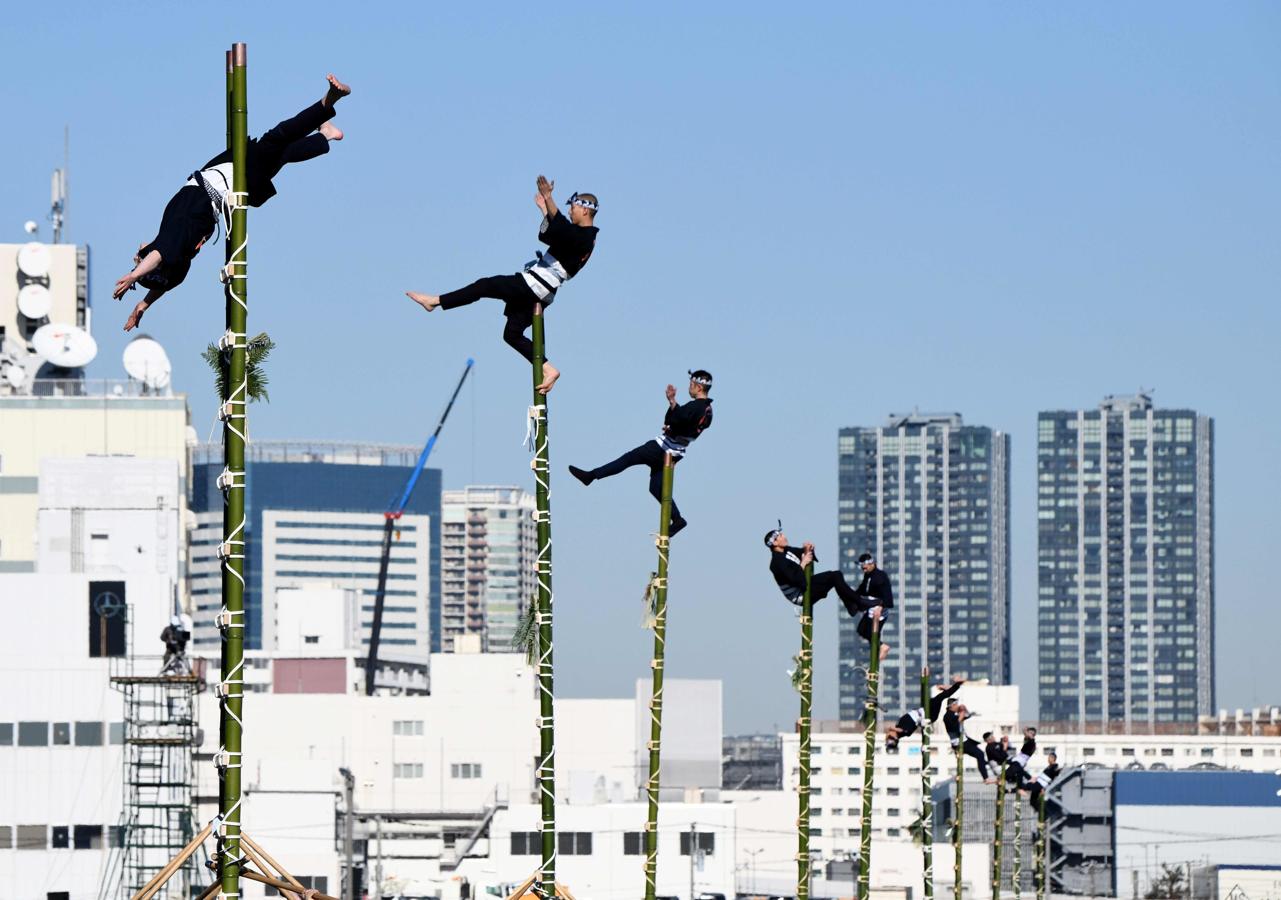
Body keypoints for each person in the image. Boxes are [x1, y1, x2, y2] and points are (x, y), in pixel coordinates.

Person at [114, 75, 352, 331]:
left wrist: (143, 305)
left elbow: (166, 280)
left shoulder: (177, 252)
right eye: (139, 260)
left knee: (279, 152)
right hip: (234, 177)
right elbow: (159, 255)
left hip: (229, 175)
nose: (136, 256)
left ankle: (326, 135)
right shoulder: (175, 235)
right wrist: (135, 276)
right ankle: (328, 102)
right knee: (277, 138)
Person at [406, 175, 599, 394]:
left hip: (534, 285)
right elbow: (555, 236)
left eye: (573, 208)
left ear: (585, 211)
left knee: (485, 285)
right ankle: (549, 368)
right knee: (512, 334)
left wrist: (548, 197)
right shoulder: (580, 236)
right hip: (542, 290)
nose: (570, 212)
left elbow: (563, 230)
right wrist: (545, 210)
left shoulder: (586, 237)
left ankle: (435, 301)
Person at [567, 371, 713, 536]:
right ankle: (678, 520)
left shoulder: (695, 406)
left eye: (691, 384)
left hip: (662, 448)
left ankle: (591, 476)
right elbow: (688, 426)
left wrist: (672, 402)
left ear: (698, 386)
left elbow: (678, 419)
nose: (689, 387)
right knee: (655, 487)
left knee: (629, 458)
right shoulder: (707, 409)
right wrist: (673, 426)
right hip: (676, 452)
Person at [763, 528, 891, 660]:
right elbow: (795, 579)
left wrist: (808, 549)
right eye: (781, 536)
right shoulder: (776, 563)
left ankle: (853, 605)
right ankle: (858, 602)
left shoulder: (787, 550)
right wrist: (803, 562)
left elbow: (802, 553)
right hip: (800, 593)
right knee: (834, 577)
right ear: (775, 543)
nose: (784, 536)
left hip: (805, 584)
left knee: (836, 575)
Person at [885, 676, 964, 749]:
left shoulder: (898, 725)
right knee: (939, 698)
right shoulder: (904, 732)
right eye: (891, 737)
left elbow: (899, 729)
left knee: (936, 698)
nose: (889, 734)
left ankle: (952, 688)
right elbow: (903, 730)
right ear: (895, 737)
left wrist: (893, 729)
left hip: (924, 710)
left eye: (889, 737)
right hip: (929, 716)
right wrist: (893, 728)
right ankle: (957, 686)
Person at [943, 698, 995, 783]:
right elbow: (953, 728)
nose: (957, 706)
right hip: (959, 743)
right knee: (980, 754)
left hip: (964, 741)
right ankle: (986, 778)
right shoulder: (947, 716)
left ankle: (985, 766)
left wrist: (964, 709)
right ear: (952, 706)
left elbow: (967, 715)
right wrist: (960, 717)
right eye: (956, 705)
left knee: (980, 756)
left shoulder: (954, 715)